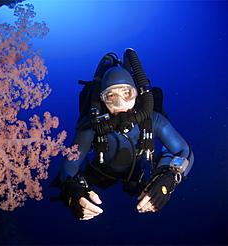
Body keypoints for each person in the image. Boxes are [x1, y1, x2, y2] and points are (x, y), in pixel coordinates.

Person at [51, 49, 194, 220]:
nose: (120, 104)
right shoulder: (93, 126)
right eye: (111, 96)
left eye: (127, 93)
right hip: (101, 172)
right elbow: (70, 163)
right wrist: (73, 191)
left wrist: (168, 181)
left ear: (137, 93)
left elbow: (184, 150)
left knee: (143, 185)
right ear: (102, 99)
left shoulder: (153, 120)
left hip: (136, 173)